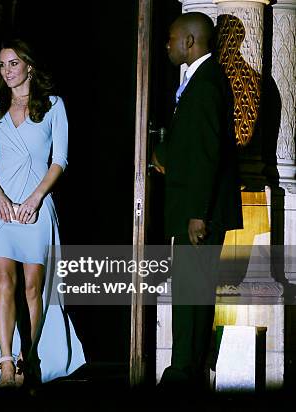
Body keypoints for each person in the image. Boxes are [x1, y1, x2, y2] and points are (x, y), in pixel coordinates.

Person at [0, 38, 85, 389]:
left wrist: (36, 199)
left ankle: (28, 356)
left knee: (33, 288)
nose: (7, 71)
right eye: (3, 65)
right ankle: (6, 363)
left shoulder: (53, 106)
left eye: (13, 64)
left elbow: (60, 160)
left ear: (29, 66)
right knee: (3, 281)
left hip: (36, 208)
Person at [153, 12, 242, 391]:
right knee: (192, 291)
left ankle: (182, 371)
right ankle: (186, 369)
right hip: (195, 208)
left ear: (190, 41)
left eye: (172, 39)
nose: (167, 45)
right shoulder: (201, 82)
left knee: (193, 292)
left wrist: (196, 214)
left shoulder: (206, 84)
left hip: (200, 213)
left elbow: (207, 153)